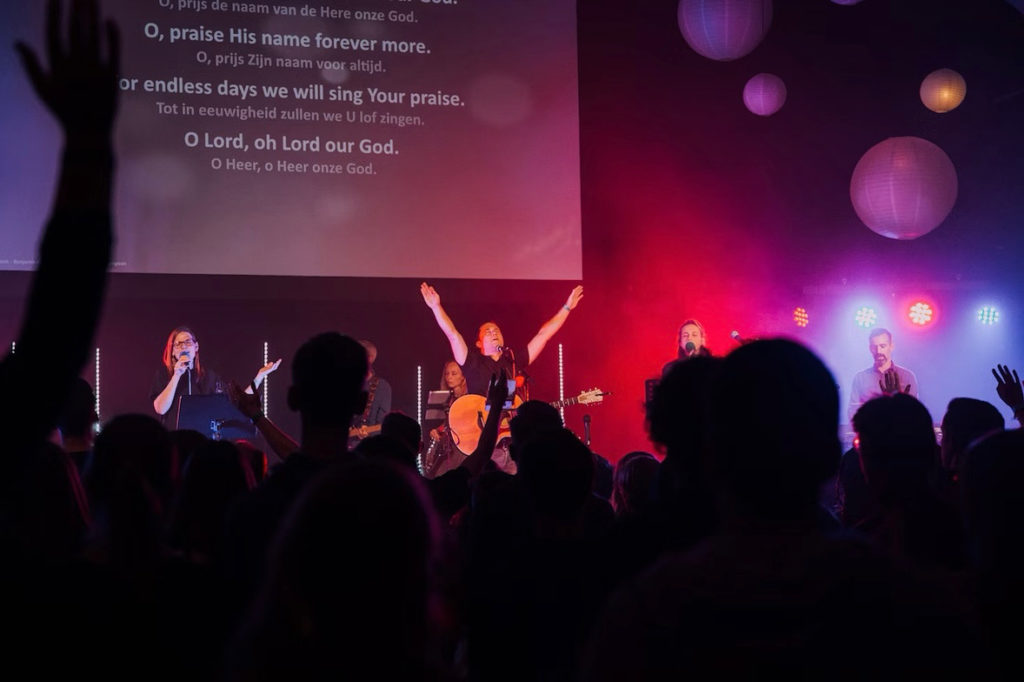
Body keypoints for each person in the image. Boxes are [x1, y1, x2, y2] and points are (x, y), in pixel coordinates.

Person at [419, 281, 583, 396]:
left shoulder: (512, 360)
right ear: (479, 343)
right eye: (488, 332)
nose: (494, 333)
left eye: (496, 330)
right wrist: (436, 307)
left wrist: (567, 307)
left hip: (506, 431)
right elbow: (452, 334)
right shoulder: (471, 361)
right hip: (480, 430)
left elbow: (544, 335)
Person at [150, 326, 280, 422]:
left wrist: (259, 377)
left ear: (196, 347)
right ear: (172, 351)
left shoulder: (208, 377)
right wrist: (176, 375)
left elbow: (235, 403)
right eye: (178, 344)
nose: (183, 347)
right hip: (175, 442)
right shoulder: (164, 374)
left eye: (188, 342)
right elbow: (160, 409)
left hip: (202, 443)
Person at [848, 327, 919, 422]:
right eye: (874, 347)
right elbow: (853, 412)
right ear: (870, 348)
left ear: (891, 346)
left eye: (882, 346)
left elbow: (915, 413)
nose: (878, 351)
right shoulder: (860, 378)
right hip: (871, 434)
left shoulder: (907, 377)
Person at [348, 339, 392, 446]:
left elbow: (383, 425)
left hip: (370, 449)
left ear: (369, 359)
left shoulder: (382, 387)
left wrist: (368, 432)